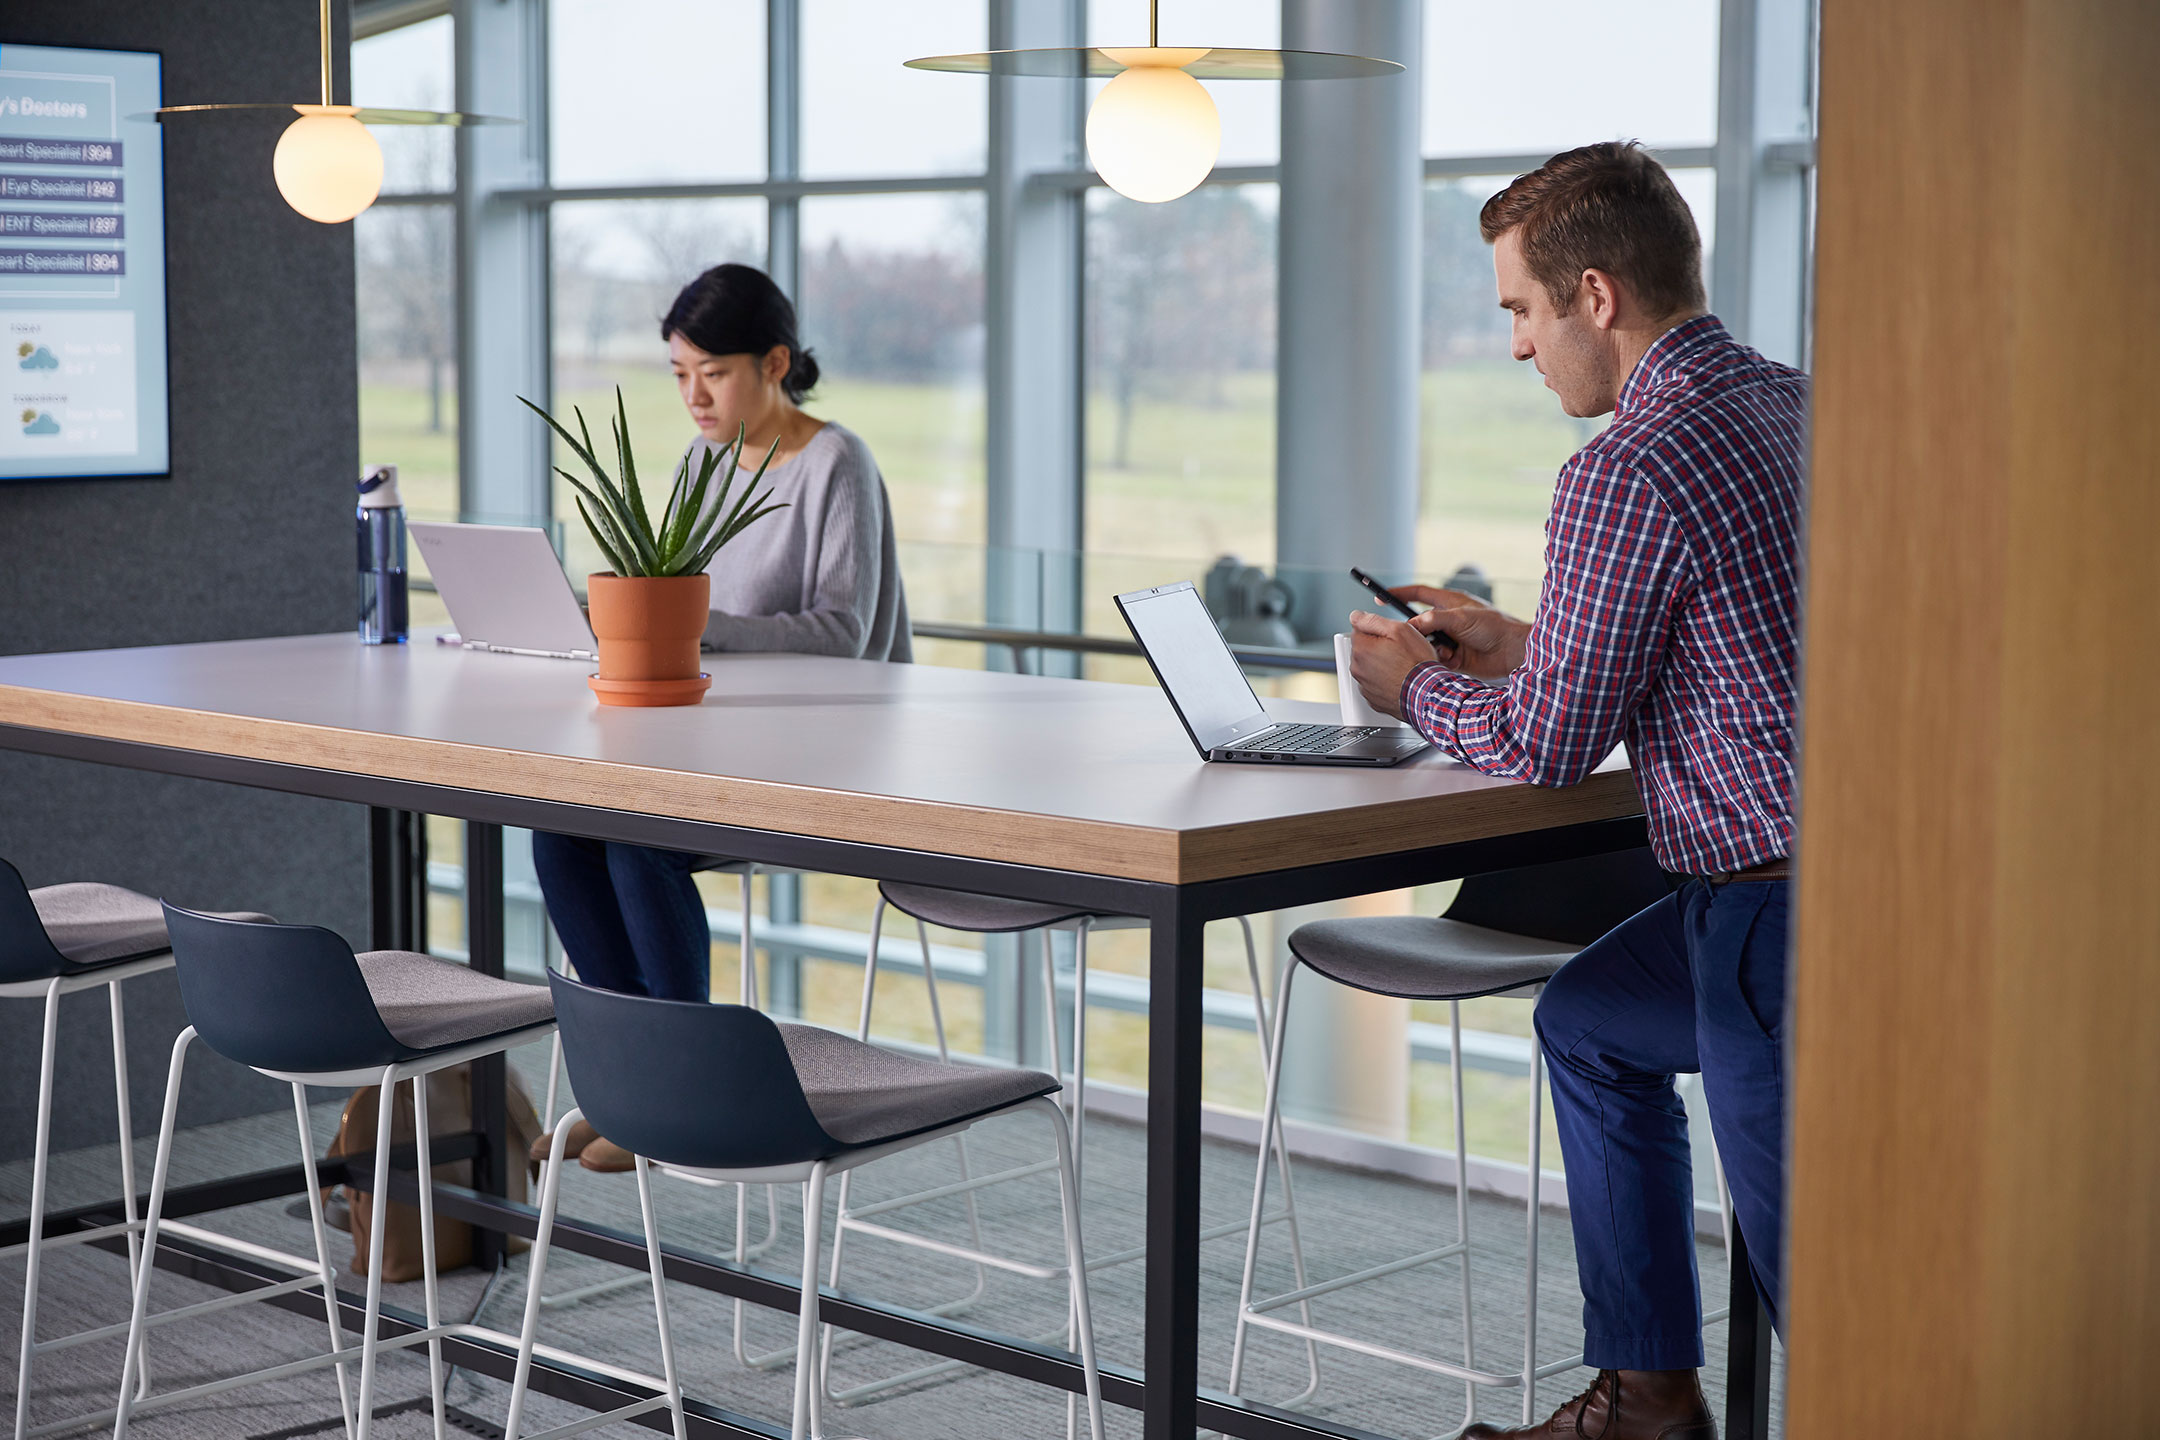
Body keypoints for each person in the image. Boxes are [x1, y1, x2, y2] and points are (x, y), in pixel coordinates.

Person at [1348, 142, 1806, 1440]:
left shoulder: (1625, 465)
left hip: (1768, 923)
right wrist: (1513, 645)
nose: (1514, 346)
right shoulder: (1805, 405)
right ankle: (1652, 1396)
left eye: (1519, 311)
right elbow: (1730, 649)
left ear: (1595, 296)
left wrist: (1413, 691)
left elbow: (1551, 747)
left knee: (1824, 1298)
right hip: (1866, 885)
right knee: (1591, 1020)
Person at [532, 263, 911, 1172]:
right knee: (563, 836)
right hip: (713, 740)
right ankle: (637, 1091)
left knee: (638, 841)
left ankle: (679, 1094)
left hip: (824, 749)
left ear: (776, 362)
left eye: (714, 372)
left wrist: (688, 621)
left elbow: (843, 632)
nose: (693, 396)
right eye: (678, 374)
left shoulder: (834, 463)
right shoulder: (699, 465)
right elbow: (669, 594)